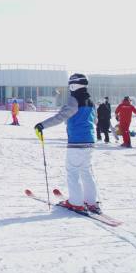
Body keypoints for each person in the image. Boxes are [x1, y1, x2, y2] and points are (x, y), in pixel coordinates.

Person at [34, 73, 100, 213]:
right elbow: (95, 121)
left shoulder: (74, 99)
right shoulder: (91, 101)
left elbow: (62, 116)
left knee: (73, 171)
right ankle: (92, 202)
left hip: (77, 142)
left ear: (73, 85)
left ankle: (76, 202)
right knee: (86, 171)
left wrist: (42, 125)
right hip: (90, 141)